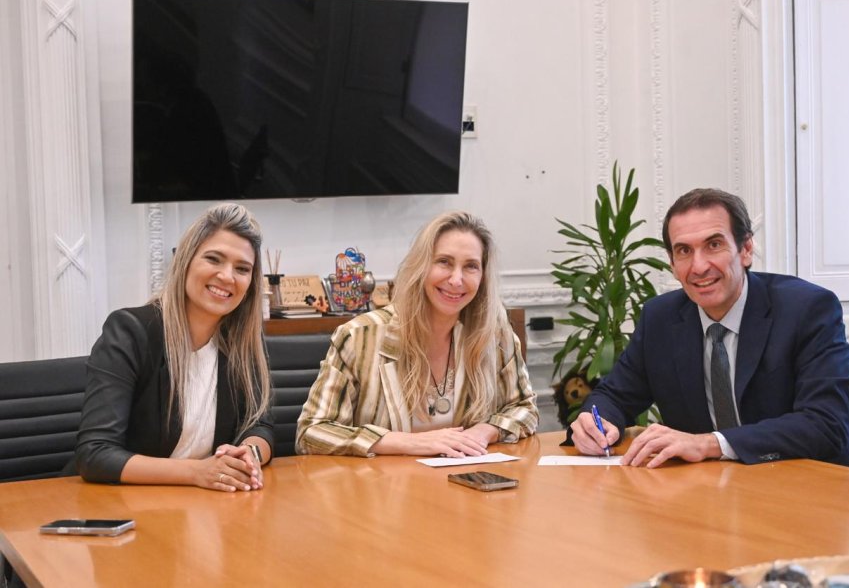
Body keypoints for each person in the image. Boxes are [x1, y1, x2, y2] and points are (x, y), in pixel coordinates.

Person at [570, 188, 849, 471]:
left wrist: (710, 444)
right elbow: (614, 395)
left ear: (746, 249)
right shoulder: (660, 318)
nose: (699, 266)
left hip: (821, 485)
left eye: (714, 245)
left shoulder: (807, 309)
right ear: (672, 263)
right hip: (719, 490)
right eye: (684, 251)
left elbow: (825, 424)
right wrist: (596, 421)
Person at [297, 211, 538, 457]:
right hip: (385, 480)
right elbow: (311, 432)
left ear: (483, 276)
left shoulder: (495, 335)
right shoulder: (359, 337)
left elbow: (525, 408)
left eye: (471, 266)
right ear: (420, 266)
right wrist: (409, 443)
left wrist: (485, 432)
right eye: (444, 262)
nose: (456, 280)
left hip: (466, 476)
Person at [74, 203, 275, 491]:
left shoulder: (243, 341)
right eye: (214, 259)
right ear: (185, 260)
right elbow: (95, 454)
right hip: (126, 502)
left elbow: (260, 424)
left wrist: (250, 453)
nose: (227, 276)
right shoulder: (130, 332)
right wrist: (197, 472)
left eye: (242, 269)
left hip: (208, 504)